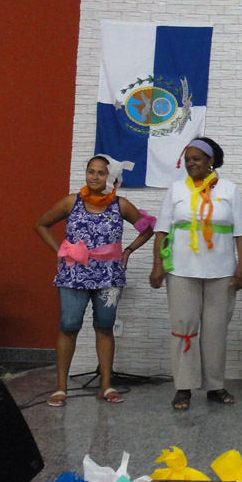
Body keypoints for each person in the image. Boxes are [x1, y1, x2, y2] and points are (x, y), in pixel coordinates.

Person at [35, 154, 155, 407]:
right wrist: (60, 250)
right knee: (69, 326)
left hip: (109, 276)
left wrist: (128, 250)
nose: (95, 176)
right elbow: (41, 224)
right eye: (91, 171)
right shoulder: (71, 201)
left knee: (104, 327)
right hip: (73, 274)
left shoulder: (121, 205)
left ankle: (106, 386)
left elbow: (148, 228)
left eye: (101, 173)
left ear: (111, 178)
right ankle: (60, 388)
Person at [150, 137, 242, 411]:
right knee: (184, 326)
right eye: (187, 159)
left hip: (222, 271)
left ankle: (215, 386)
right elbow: (161, 231)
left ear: (211, 161)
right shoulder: (176, 189)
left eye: (196, 158)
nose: (190, 163)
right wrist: (157, 265)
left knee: (216, 329)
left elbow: (241, 233)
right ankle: (183, 387)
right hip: (180, 269)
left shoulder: (230, 190)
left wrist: (241, 267)